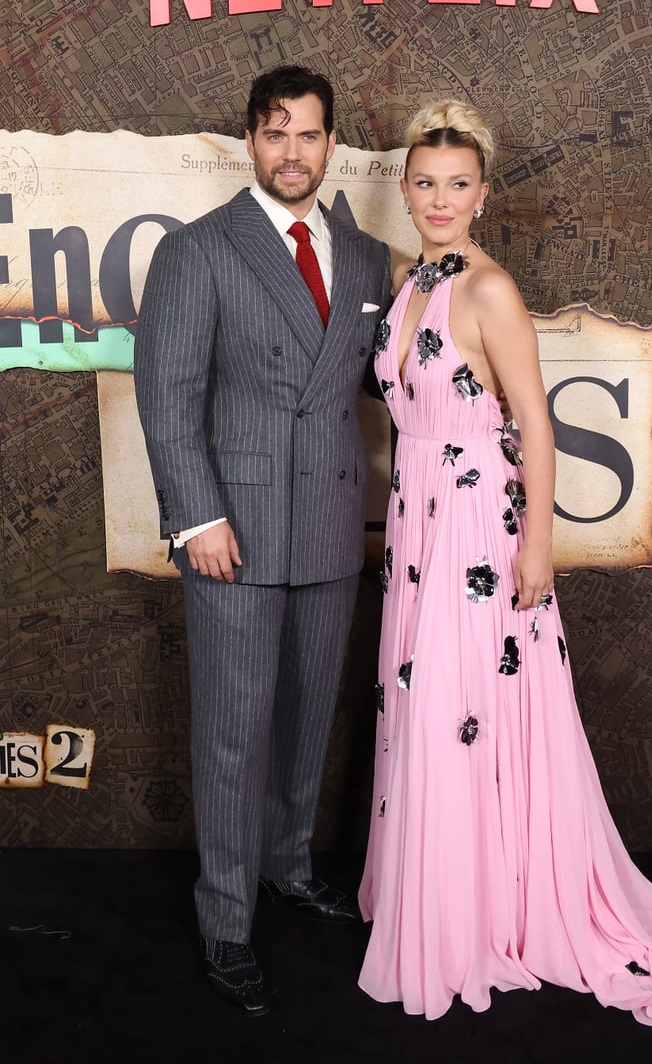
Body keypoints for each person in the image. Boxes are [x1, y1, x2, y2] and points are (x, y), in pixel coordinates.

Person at [357, 101, 652, 1026]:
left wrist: (537, 547)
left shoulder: (489, 289)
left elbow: (538, 422)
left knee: (464, 706)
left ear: (483, 193)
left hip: (477, 523)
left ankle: (486, 912)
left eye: (458, 185)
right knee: (423, 704)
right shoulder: (409, 284)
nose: (441, 200)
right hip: (418, 526)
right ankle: (437, 898)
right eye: (425, 184)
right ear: (406, 189)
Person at [134, 65, 391, 1016]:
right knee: (234, 735)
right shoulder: (198, 251)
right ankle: (227, 919)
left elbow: (382, 378)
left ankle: (287, 868)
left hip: (328, 529)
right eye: (276, 133)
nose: (293, 152)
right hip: (230, 535)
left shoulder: (361, 258)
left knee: (304, 719)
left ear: (332, 147)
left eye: (310, 135)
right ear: (251, 140)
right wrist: (196, 517)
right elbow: (168, 399)